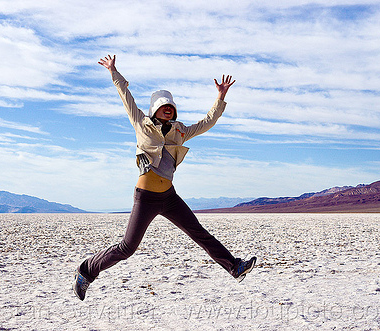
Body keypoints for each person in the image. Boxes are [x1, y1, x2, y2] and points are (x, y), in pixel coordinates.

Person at [73, 55, 256, 301]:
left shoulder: (180, 131)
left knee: (198, 232)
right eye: (163, 105)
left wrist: (220, 98)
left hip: (169, 197)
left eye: (171, 106)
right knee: (128, 248)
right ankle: (86, 271)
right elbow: (126, 97)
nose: (168, 108)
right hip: (146, 197)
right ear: (154, 109)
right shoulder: (141, 123)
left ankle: (235, 267)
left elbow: (207, 122)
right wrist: (113, 71)